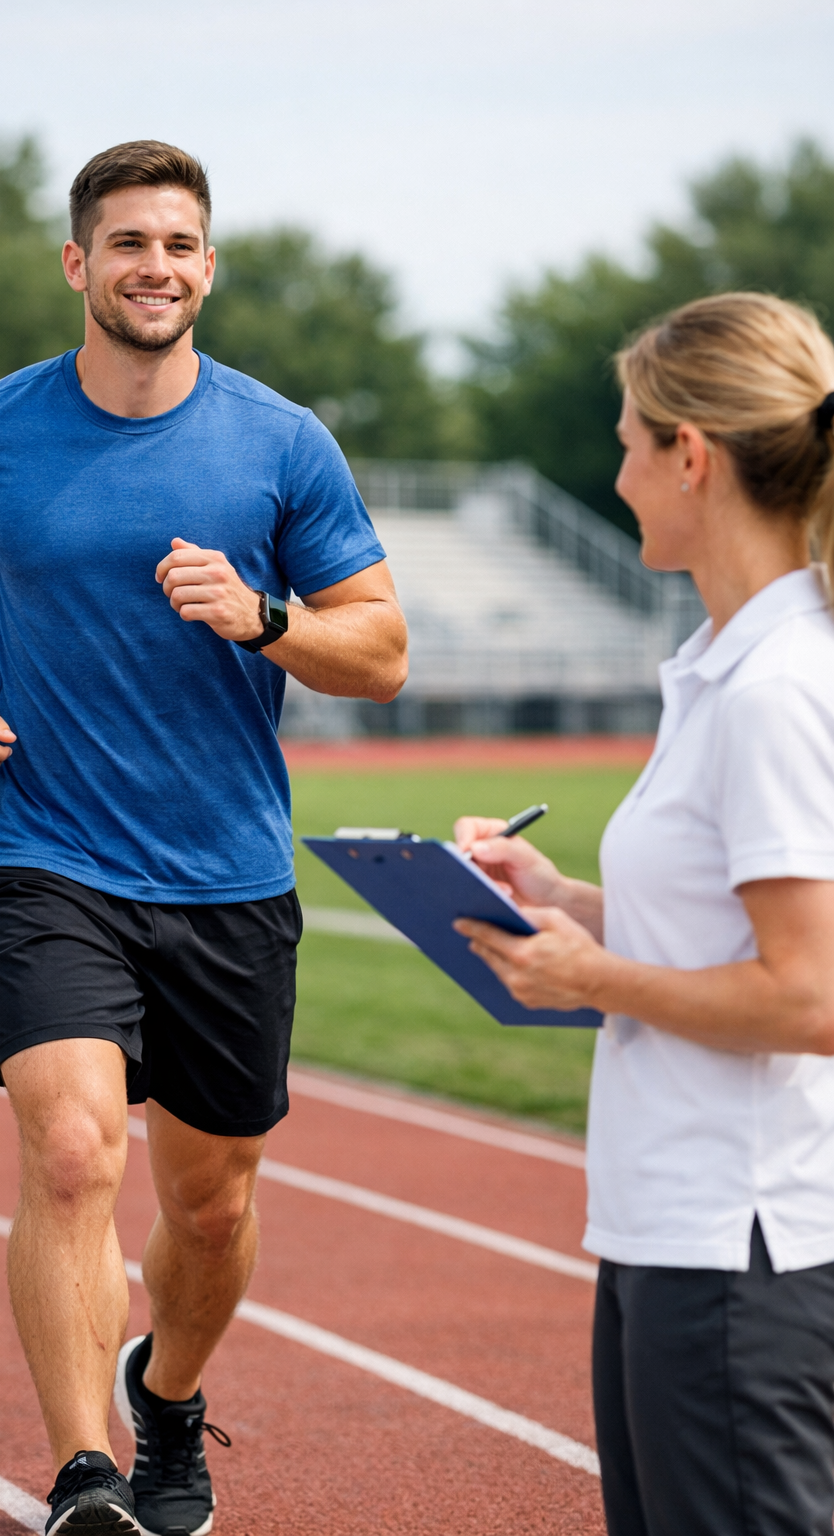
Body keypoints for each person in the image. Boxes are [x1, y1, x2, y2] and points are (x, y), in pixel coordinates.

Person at [0, 139, 407, 1536]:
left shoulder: (282, 442)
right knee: (68, 1153)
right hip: (46, 854)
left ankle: (166, 1397)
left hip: (228, 871)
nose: (154, 267)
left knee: (214, 1211)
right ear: (78, 264)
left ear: (206, 269)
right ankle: (84, 1471)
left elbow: (385, 651)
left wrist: (268, 616)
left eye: (178, 245)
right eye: (127, 244)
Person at [453, 293, 834, 1536]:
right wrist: (560, 903)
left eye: (627, 443)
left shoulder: (775, 688)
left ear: (694, 456)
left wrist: (591, 977)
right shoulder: (722, 668)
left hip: (741, 1247)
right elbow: (716, 930)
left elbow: (810, 996)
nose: (614, 476)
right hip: (673, 1231)